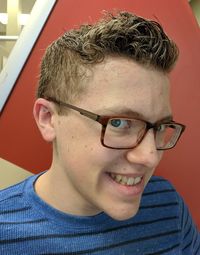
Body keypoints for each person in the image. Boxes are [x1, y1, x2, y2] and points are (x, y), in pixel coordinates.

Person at [0, 11, 199, 255]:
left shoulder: (168, 204)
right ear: (48, 119)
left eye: (158, 127)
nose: (150, 157)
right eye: (119, 123)